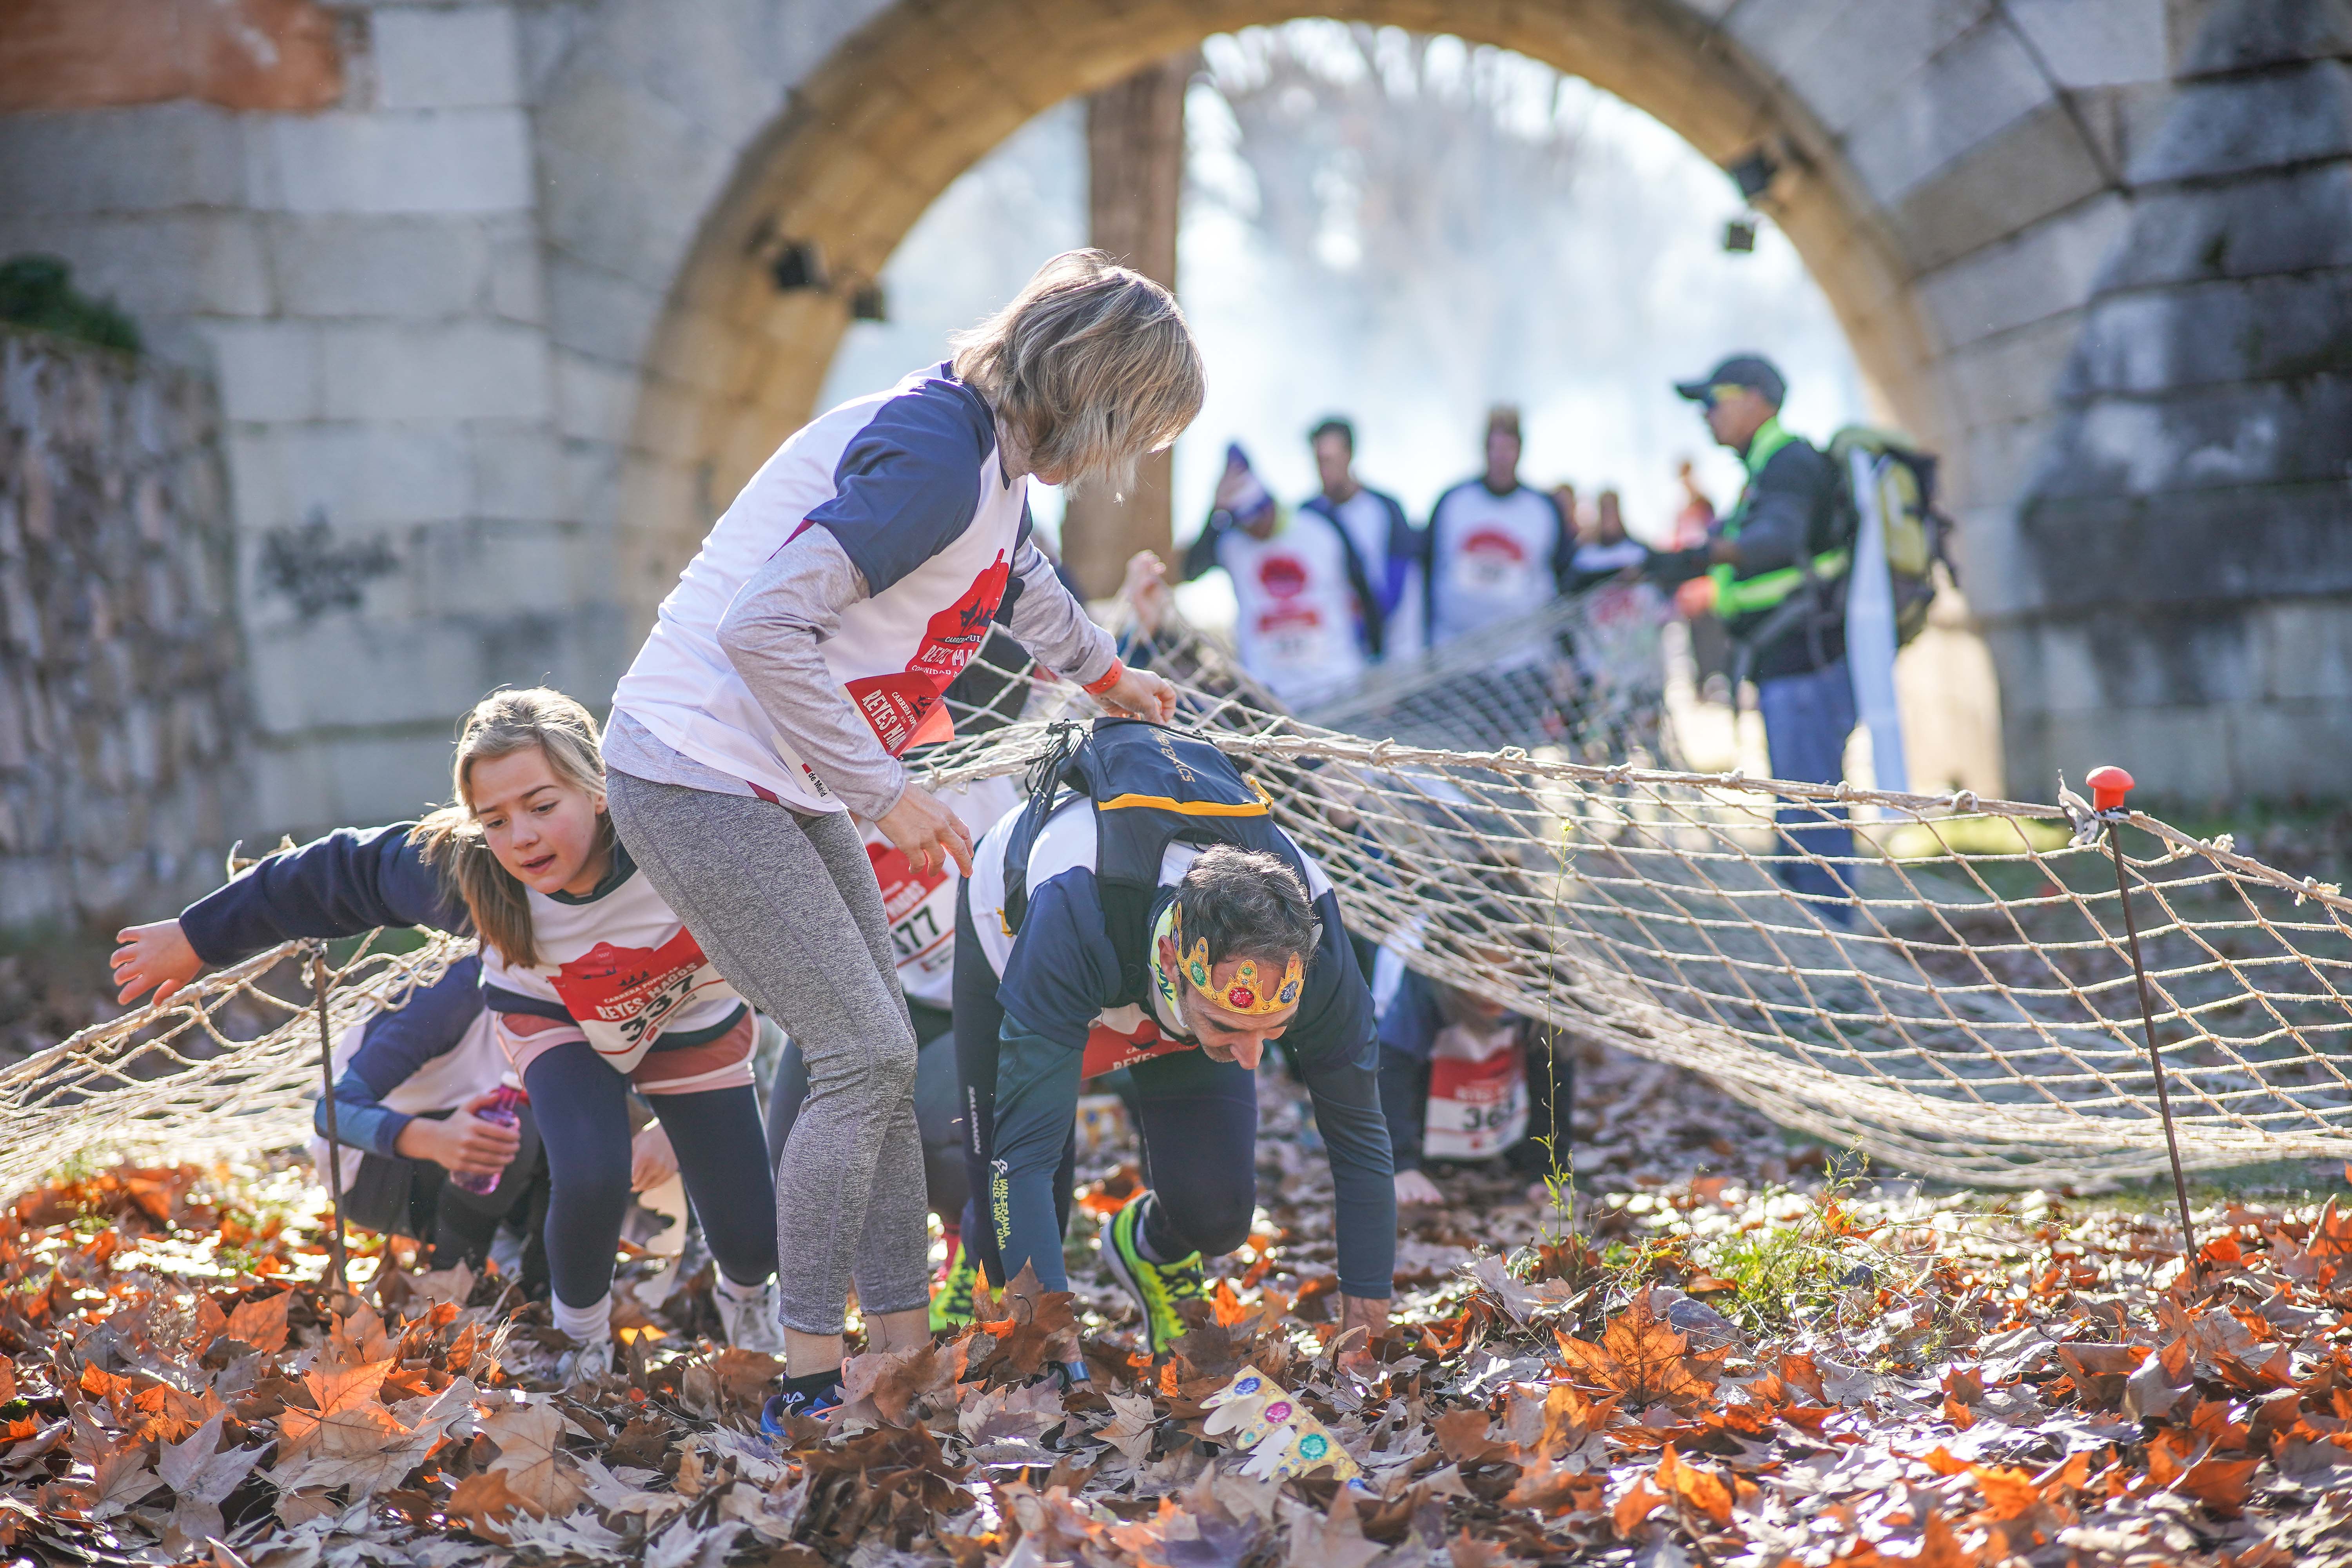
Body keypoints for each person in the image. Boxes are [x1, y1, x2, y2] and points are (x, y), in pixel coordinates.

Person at [598, 249, 1193, 1422]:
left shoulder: (993, 462)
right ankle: (811, 1381)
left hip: (783, 774)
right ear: (1090, 391)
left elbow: (1015, 577)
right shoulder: (933, 452)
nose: (1114, 463)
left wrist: (1106, 672)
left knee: (866, 1056)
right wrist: (884, 793)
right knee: (867, 1053)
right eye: (1127, 431)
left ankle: (902, 1353)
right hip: (693, 766)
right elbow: (762, 627)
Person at [110, 689, 784, 1377]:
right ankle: (580, 1344)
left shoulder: (673, 835)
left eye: (542, 806)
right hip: (557, 1017)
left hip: (685, 1012)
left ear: (598, 789)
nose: (521, 837)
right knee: (591, 1171)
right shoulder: (470, 871)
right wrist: (198, 935)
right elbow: (338, 870)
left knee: (751, 1235)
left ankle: (749, 1302)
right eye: (496, 819)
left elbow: (784, 879)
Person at [955, 719, 1395, 1358]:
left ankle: (1147, 1249)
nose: (1252, 1057)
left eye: (1274, 1031)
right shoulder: (1075, 912)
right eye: (1229, 1027)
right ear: (1171, 958)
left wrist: (1368, 1326)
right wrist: (1054, 1357)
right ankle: (972, 1268)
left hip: (1157, 986)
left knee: (1217, 1216)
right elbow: (1021, 1162)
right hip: (1028, 936)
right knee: (1014, 1225)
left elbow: (1360, 1136)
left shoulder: (1314, 928)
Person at [1649, 355, 1855, 916]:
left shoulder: (1788, 462)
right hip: (1788, 664)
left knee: (1811, 817)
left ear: (1757, 400)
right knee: (1799, 813)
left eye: (1714, 400)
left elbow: (1776, 540)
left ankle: (1832, 944)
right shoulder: (1767, 468)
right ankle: (1817, 939)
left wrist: (1702, 554)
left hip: (1805, 663)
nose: (1706, 414)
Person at [1180, 443, 1382, 708]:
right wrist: (1214, 511)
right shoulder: (1232, 544)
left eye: (1259, 518)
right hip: (1275, 697)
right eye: (1245, 523)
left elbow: (1365, 593)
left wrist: (1376, 654)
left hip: (1338, 685)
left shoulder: (1321, 528)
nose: (1256, 530)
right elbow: (1190, 571)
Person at [1369, 942, 1571, 1207]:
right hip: (1424, 1087)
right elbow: (1392, 1072)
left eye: (1509, 973)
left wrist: (1547, 1170)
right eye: (1479, 974)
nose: (1491, 989)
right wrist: (1399, 1167)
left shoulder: (1545, 988)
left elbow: (1552, 1076)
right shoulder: (1424, 983)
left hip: (1498, 1111)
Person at [1422, 406, 1574, 650]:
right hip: (1454, 652)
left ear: (1520, 451)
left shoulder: (1544, 510)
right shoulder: (1453, 503)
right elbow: (1427, 569)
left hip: (1523, 654)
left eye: (1509, 449)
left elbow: (1563, 579)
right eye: (1496, 448)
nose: (1502, 458)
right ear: (1485, 450)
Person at [1299, 417, 1420, 659]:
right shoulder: (1307, 516)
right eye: (1319, 461)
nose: (1324, 471)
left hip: (1388, 645)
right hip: (1333, 653)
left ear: (1350, 455)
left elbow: (1399, 582)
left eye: (1331, 460)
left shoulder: (1385, 509)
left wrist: (1372, 630)